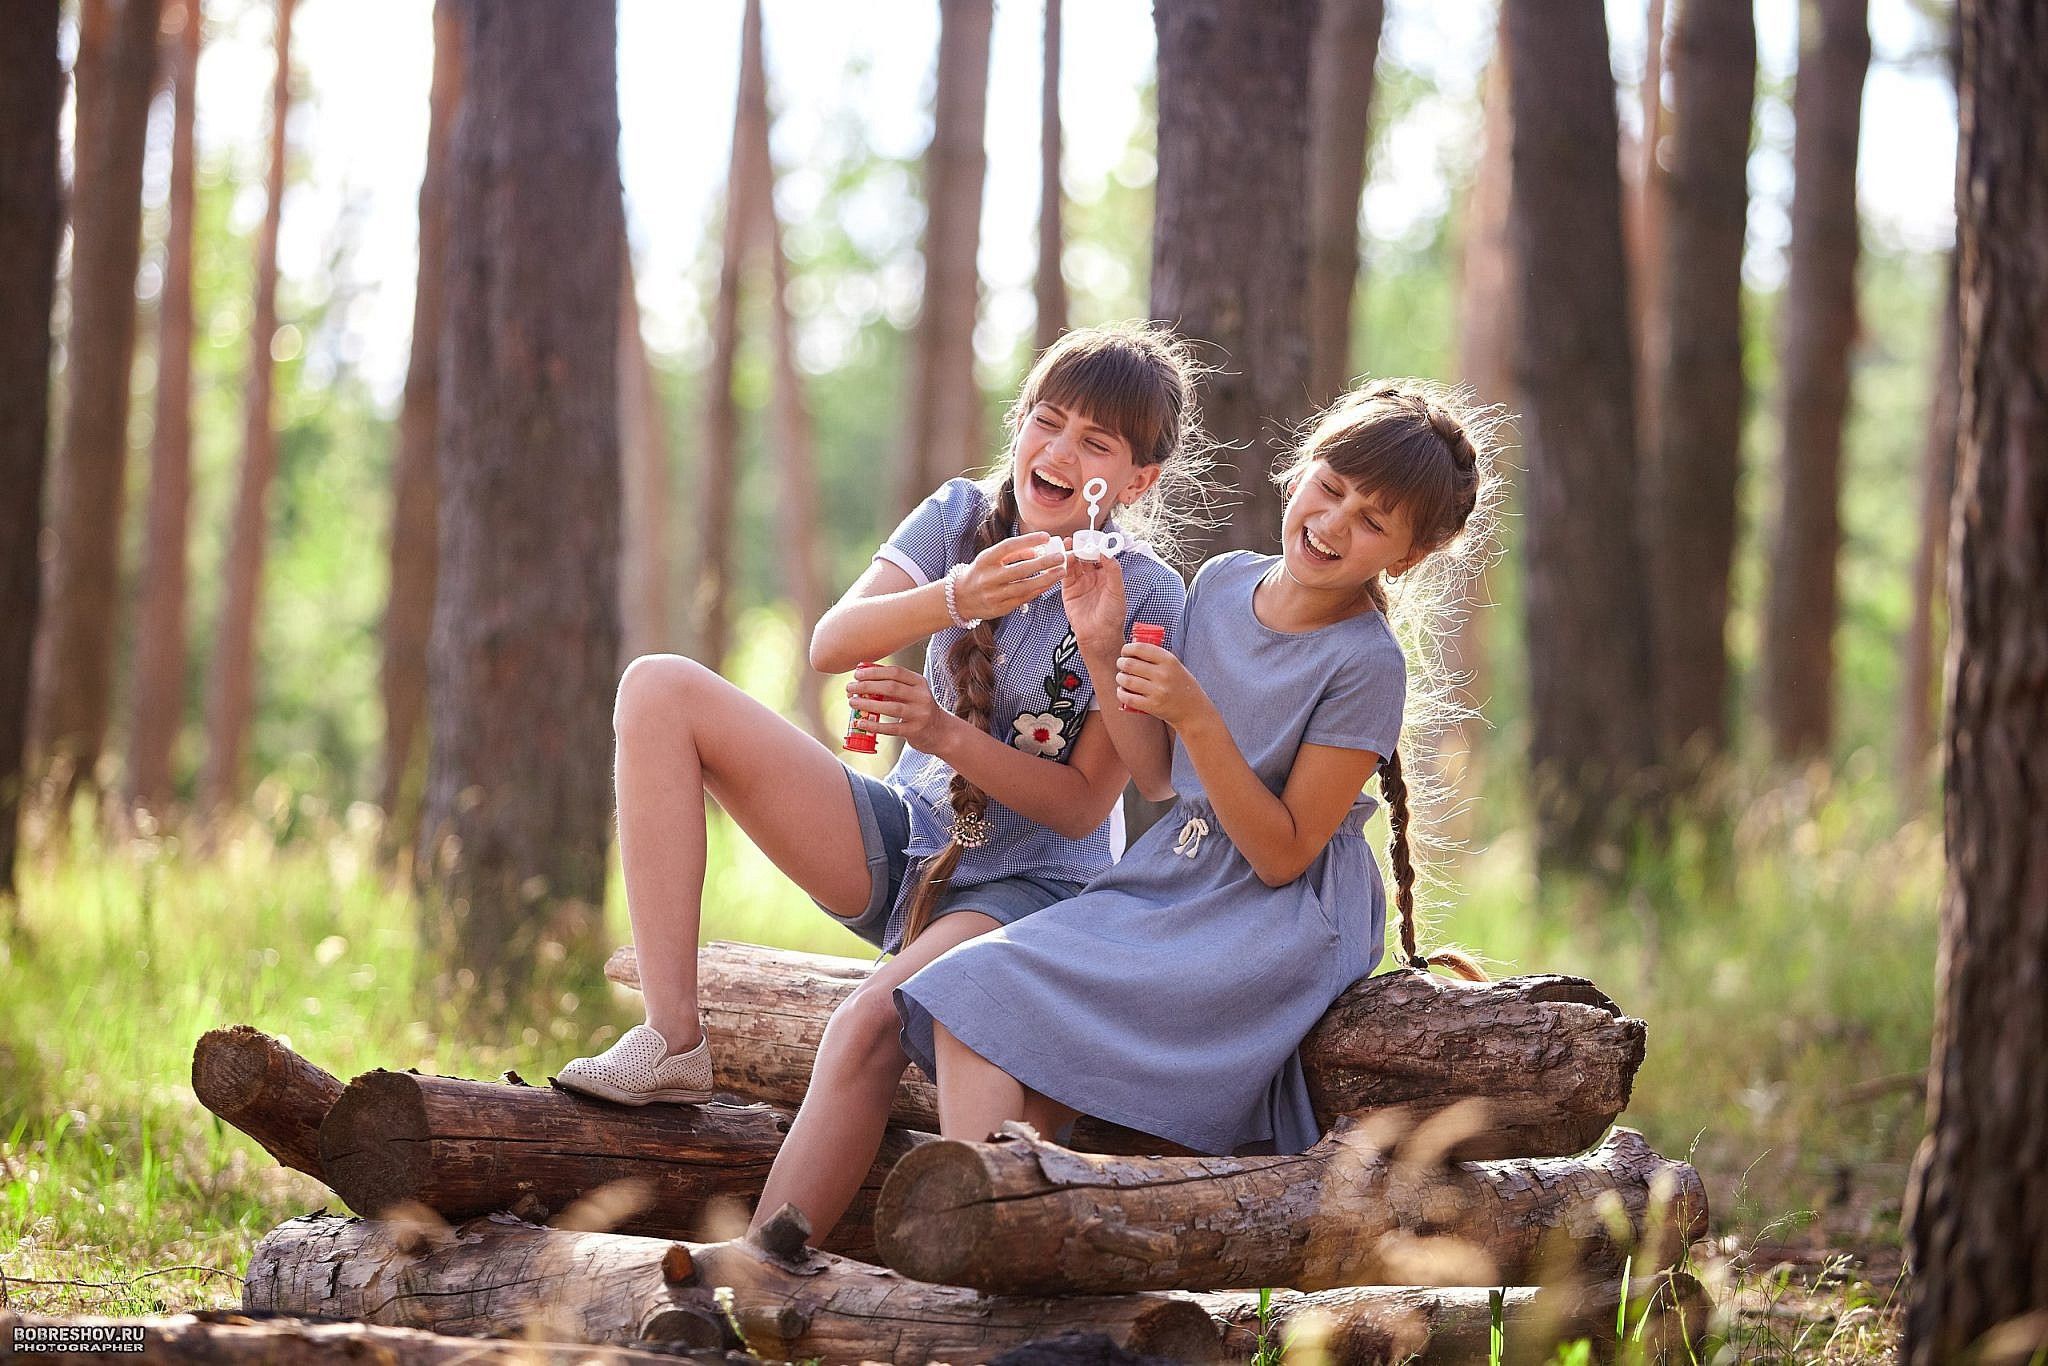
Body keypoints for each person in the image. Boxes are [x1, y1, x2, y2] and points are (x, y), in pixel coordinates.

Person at [552, 323, 1211, 1124]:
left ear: (1137, 482)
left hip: (1028, 887)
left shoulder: (1145, 594)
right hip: (906, 844)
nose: (1063, 451)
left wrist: (944, 732)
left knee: (867, 1020)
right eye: (1049, 420)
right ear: (1019, 423)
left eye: (1095, 441)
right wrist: (958, 596)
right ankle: (672, 1039)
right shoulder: (959, 515)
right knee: (657, 687)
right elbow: (832, 642)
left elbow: (1084, 807)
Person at [895, 380, 1499, 1161]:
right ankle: (1006, 1230)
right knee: (971, 997)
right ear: (1299, 470)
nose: (1333, 523)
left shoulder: (1365, 663)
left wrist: (1198, 718)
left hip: (1277, 917)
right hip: (1178, 876)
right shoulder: (1218, 584)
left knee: (1004, 1027)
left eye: (1372, 521)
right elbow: (1157, 777)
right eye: (1331, 487)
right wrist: (1103, 643)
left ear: (1408, 556)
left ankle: (999, 1233)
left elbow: (1283, 855)